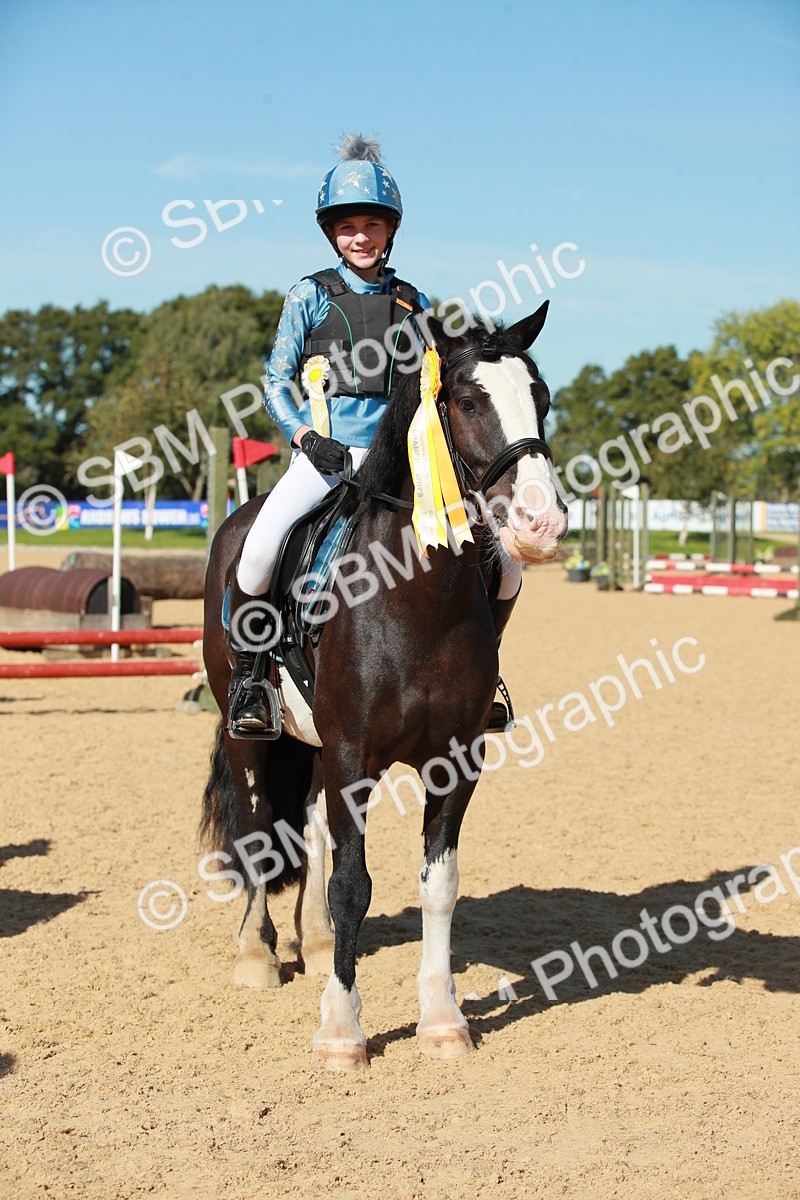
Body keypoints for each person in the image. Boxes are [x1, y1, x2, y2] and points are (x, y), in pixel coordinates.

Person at [226, 134, 431, 738]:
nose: (360, 237)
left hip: (398, 461)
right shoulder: (309, 295)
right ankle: (251, 679)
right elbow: (274, 379)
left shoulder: (412, 301)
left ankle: (481, 675)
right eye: (347, 227)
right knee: (260, 548)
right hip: (326, 457)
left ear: (390, 230)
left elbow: (428, 385)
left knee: (488, 557)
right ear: (331, 233)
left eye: (372, 224)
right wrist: (305, 437)